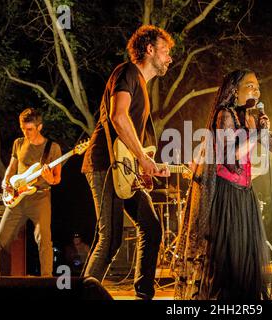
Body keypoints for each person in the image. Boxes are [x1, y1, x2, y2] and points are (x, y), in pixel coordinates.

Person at [81, 25, 174, 300]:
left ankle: (144, 294)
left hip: (124, 168)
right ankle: (83, 294)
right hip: (106, 164)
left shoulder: (142, 87)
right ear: (149, 50)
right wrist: (143, 159)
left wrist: (143, 167)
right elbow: (118, 116)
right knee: (110, 239)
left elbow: (131, 136)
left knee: (151, 226)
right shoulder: (127, 72)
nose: (169, 58)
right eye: (166, 51)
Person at [173, 69, 271, 300]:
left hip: (244, 194)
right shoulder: (224, 115)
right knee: (229, 262)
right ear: (234, 90)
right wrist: (257, 134)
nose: (256, 90)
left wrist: (264, 133)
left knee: (245, 260)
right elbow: (231, 156)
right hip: (228, 196)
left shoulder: (245, 117)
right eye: (250, 85)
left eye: (258, 86)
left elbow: (252, 155)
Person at [0, 107, 62, 276]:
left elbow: (57, 179)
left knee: (43, 240)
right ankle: (4, 281)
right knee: (0, 240)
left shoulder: (52, 148)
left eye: (30, 129)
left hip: (40, 198)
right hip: (17, 197)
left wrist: (49, 179)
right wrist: (5, 180)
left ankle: (47, 280)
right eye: (23, 128)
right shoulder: (18, 143)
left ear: (39, 127)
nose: (26, 132)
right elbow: (12, 167)